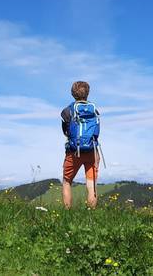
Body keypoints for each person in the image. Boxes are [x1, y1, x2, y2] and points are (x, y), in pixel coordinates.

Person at [60, 81, 101, 209]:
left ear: (73, 93)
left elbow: (65, 131)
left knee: (67, 182)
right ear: (87, 93)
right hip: (92, 151)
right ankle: (91, 216)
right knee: (91, 185)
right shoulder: (94, 110)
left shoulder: (67, 111)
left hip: (73, 152)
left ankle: (67, 213)